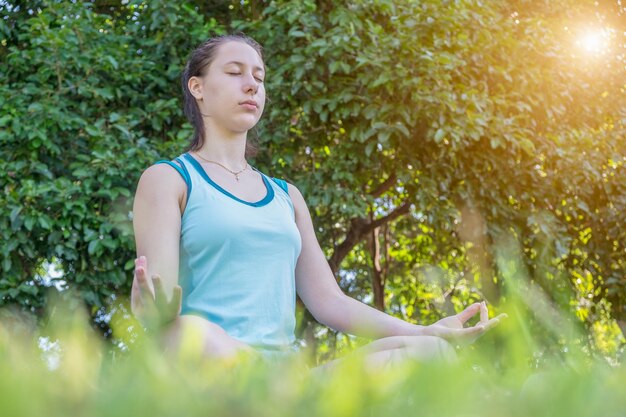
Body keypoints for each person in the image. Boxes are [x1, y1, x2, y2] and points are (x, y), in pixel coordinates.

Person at [130, 33, 505, 369]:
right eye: (234, 72)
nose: (251, 85)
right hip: (208, 365)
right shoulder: (168, 179)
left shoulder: (285, 196)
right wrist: (153, 310)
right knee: (191, 332)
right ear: (197, 87)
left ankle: (288, 398)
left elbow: (330, 302)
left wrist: (426, 331)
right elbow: (161, 306)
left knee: (426, 351)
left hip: (286, 378)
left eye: (259, 78)